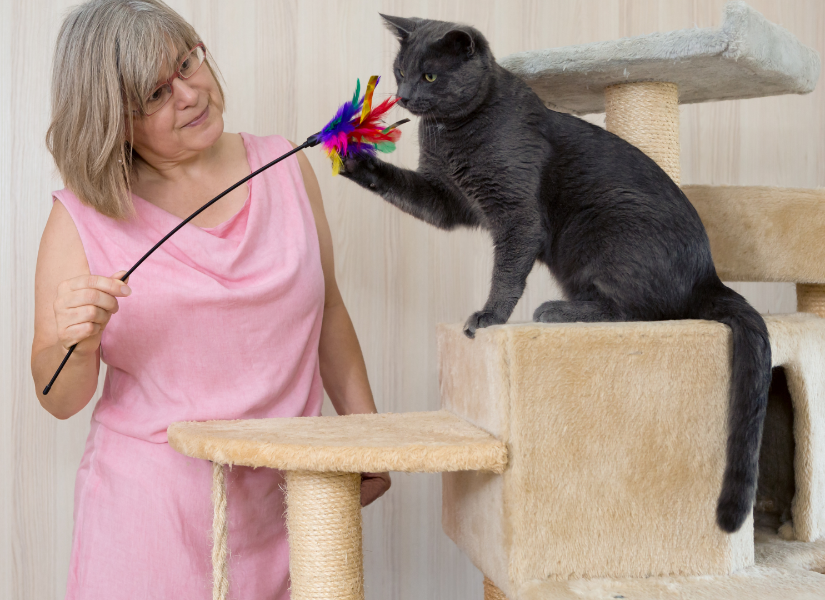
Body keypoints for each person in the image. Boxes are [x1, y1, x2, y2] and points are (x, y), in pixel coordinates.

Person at [30, 1, 390, 597]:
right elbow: (57, 397)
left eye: (188, 63)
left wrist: (366, 435)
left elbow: (328, 313)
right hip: (152, 525)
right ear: (113, 117)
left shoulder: (284, 166)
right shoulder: (81, 218)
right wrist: (76, 339)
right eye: (154, 93)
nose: (191, 94)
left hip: (290, 509)